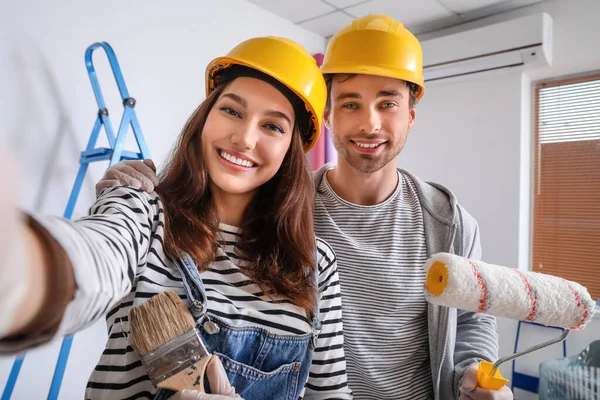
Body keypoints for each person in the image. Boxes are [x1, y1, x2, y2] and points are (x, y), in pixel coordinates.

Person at [92, 15, 513, 400]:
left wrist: (474, 371)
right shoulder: (285, 214)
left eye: (387, 103)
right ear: (328, 115)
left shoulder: (448, 222)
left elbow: (473, 319)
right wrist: (128, 199)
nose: (369, 123)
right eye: (350, 103)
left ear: (411, 116)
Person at [0, 36, 354, 400]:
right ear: (205, 118)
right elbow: (89, 263)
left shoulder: (314, 263)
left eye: (273, 126)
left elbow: (329, 394)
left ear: (290, 150)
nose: (244, 138)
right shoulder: (145, 214)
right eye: (231, 110)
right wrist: (17, 265)